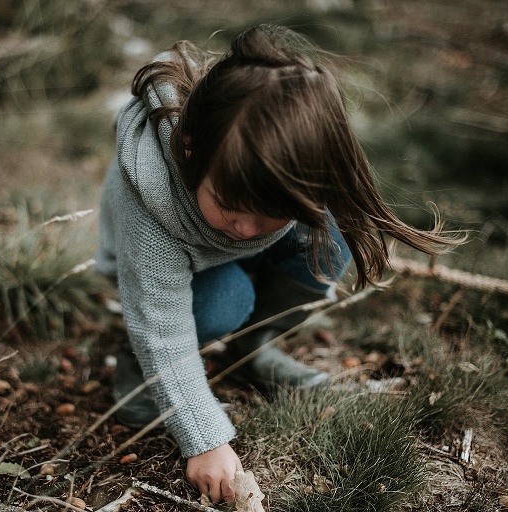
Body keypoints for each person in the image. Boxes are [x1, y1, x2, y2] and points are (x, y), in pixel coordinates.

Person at [95, 24, 464, 503]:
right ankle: (135, 377)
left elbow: (284, 223)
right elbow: (161, 326)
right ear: (191, 150)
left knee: (328, 241)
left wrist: (275, 221)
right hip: (159, 286)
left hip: (220, 256)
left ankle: (250, 349)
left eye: (271, 213)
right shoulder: (153, 207)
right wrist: (204, 438)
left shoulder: (278, 177)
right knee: (229, 299)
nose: (246, 227)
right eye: (229, 204)